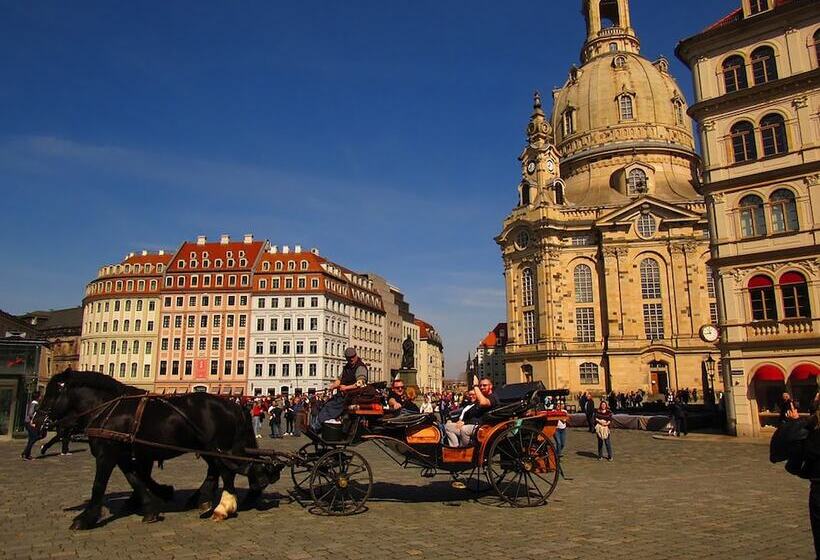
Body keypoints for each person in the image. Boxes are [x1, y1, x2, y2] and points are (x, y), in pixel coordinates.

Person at [311, 347, 369, 430]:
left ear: (356, 355)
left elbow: (361, 383)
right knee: (326, 404)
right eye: (349, 358)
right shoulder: (347, 367)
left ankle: (317, 427)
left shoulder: (360, 367)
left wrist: (346, 388)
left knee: (331, 406)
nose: (351, 359)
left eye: (353, 357)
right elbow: (340, 379)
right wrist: (333, 386)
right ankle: (319, 426)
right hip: (344, 395)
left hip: (353, 396)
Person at [444, 378, 497, 447]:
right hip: (473, 424)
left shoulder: (492, 397)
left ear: (491, 386)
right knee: (448, 426)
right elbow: (472, 414)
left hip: (483, 426)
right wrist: (460, 421)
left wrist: (475, 386)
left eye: (484, 385)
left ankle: (463, 450)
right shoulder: (480, 400)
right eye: (480, 385)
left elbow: (483, 403)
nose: (482, 387)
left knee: (464, 429)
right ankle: (454, 447)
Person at [21, 391, 42, 461]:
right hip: (30, 423)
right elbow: (30, 413)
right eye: (40, 396)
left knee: (31, 439)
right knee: (34, 437)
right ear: (38, 397)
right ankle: (25, 454)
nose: (41, 397)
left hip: (29, 423)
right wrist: (32, 421)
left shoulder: (34, 403)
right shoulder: (34, 404)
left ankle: (26, 454)